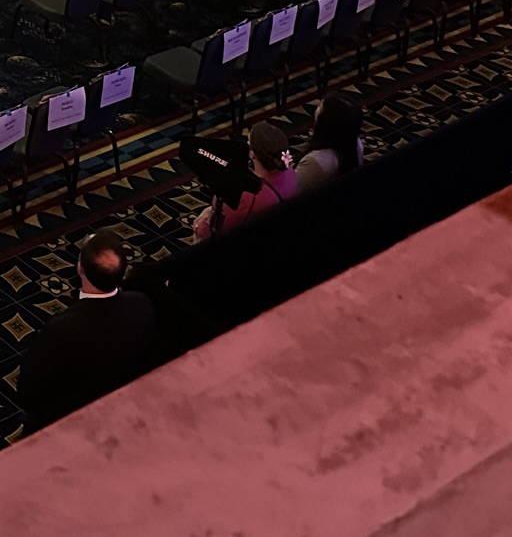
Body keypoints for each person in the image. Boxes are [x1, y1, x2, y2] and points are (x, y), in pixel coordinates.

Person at [15, 229, 158, 431]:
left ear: (80, 268)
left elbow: (27, 394)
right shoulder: (141, 303)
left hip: (69, 422)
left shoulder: (62, 329)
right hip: (123, 410)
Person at [193, 121, 299, 239]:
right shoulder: (289, 171)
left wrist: (200, 224)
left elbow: (217, 229)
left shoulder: (246, 195)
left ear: (252, 153)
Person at [296, 95, 363, 191]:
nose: (316, 109)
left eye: (320, 107)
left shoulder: (314, 162)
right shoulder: (357, 143)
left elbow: (291, 191)